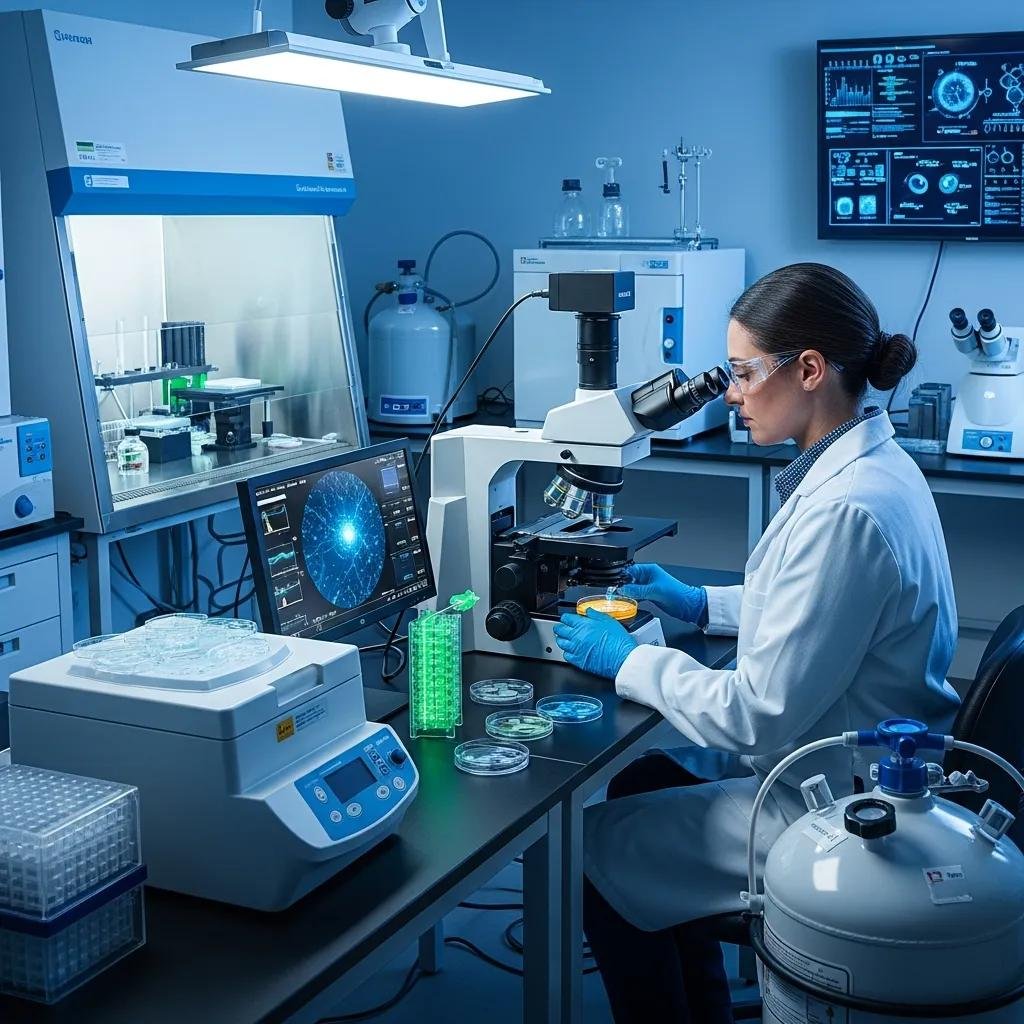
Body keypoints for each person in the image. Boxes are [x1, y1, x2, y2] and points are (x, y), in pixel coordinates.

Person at [552, 262, 961, 1024]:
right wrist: (698, 602)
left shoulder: (849, 510)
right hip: (850, 756)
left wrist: (631, 659)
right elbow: (822, 611)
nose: (731, 393)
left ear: (808, 370)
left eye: (742, 373)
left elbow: (755, 714)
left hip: (837, 805)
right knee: (643, 784)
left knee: (588, 851)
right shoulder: (875, 467)